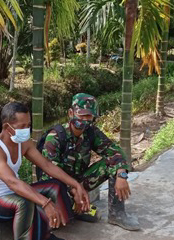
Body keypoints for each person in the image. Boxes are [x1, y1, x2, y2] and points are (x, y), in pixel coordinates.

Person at [0, 102, 90, 240]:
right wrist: (45, 203)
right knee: (25, 201)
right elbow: (12, 182)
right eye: (21, 126)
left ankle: (44, 236)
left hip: (13, 195)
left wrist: (75, 184)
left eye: (28, 125)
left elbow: (46, 165)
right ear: (7, 127)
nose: (26, 130)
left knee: (55, 185)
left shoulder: (24, 143)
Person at [39, 93, 140, 231]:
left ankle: (117, 214)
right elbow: (50, 171)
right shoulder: (56, 136)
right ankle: (74, 208)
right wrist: (74, 190)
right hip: (56, 187)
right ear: (71, 113)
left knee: (111, 164)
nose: (85, 120)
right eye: (82, 115)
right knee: (60, 222)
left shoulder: (90, 132)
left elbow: (114, 152)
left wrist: (121, 175)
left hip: (78, 183)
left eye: (89, 116)